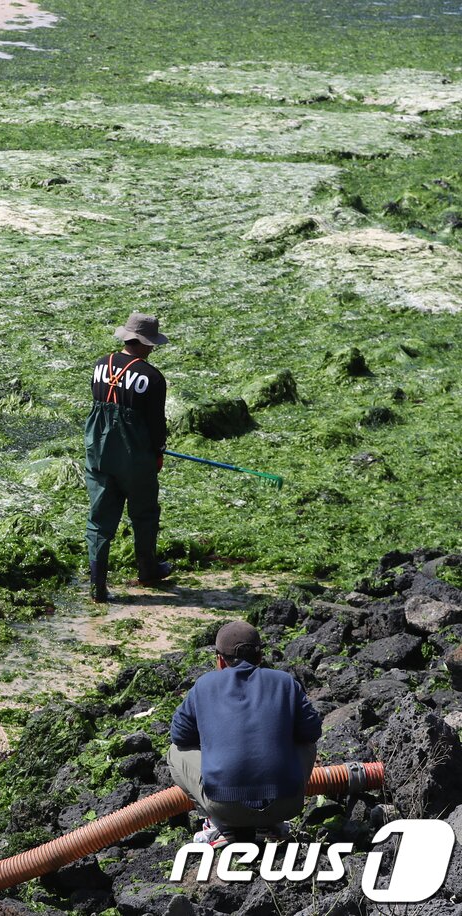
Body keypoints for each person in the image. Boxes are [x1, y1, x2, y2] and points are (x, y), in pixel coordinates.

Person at [168, 621, 321, 847]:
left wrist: (215, 738)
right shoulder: (285, 682)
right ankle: (271, 825)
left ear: (219, 659)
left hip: (225, 806)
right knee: (306, 744)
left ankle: (219, 825)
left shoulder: (205, 685)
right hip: (286, 804)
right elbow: (312, 732)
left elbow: (179, 736)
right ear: (260, 657)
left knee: (175, 752)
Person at [84, 311, 172, 602]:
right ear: (144, 343)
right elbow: (156, 425)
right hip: (135, 458)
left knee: (99, 521)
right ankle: (148, 570)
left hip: (98, 453)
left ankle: (97, 586)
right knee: (144, 514)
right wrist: (158, 452)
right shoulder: (152, 377)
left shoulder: (100, 365)